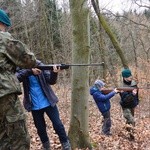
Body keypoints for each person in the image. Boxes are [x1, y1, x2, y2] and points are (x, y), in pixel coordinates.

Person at [0, 9, 37, 150]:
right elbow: (28, 60)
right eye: (4, 26)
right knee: (18, 138)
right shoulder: (3, 38)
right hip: (5, 96)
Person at [16, 60, 71, 150]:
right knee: (40, 128)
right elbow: (17, 78)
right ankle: (46, 146)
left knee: (58, 124)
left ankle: (65, 143)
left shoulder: (40, 65)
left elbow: (51, 81)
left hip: (48, 101)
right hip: (34, 104)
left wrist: (54, 72)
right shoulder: (21, 67)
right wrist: (30, 71)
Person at [119, 69, 139, 133]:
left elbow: (136, 95)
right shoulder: (121, 87)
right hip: (125, 106)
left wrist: (137, 102)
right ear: (124, 77)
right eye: (128, 76)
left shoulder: (134, 84)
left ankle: (127, 131)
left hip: (132, 105)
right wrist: (132, 94)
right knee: (131, 120)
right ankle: (131, 135)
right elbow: (125, 100)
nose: (130, 77)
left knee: (130, 120)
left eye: (130, 75)